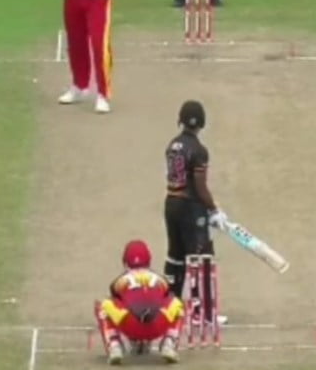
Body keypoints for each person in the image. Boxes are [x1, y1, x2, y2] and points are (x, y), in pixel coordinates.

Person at [162, 100, 229, 325]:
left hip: (171, 204)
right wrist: (214, 209)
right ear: (201, 123)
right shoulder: (199, 151)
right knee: (202, 257)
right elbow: (200, 186)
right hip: (190, 209)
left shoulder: (172, 146)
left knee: (175, 256)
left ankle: (170, 307)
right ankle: (204, 313)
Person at [95, 240, 184, 365]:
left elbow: (120, 301)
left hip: (131, 325)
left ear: (125, 261)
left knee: (103, 305)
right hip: (157, 325)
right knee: (177, 303)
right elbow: (163, 299)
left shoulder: (121, 280)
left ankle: (114, 345)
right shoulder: (160, 279)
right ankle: (169, 342)